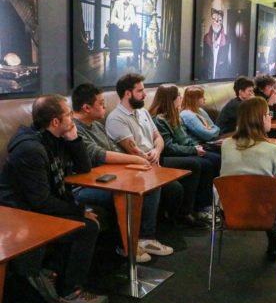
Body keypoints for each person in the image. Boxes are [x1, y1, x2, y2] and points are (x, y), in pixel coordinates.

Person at [0, 94, 108, 303]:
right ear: (56, 121)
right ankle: (71, 294)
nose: (73, 117)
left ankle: (50, 271)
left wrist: (74, 139)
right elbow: (40, 201)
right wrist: (79, 211)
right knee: (87, 227)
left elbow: (84, 168)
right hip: (20, 212)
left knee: (87, 223)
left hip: (37, 205)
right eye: (69, 114)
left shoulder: (57, 138)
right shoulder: (30, 149)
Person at [71, 83, 165, 263]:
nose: (105, 106)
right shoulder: (75, 129)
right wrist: (136, 159)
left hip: (108, 178)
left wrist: (139, 160)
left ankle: (145, 238)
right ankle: (127, 246)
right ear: (86, 108)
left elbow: (114, 148)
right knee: (130, 193)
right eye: (101, 103)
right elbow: (97, 154)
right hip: (83, 187)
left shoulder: (96, 126)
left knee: (151, 185)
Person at [104, 74, 176, 254]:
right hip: (134, 167)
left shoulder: (143, 112)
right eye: (140, 91)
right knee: (155, 184)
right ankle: (145, 238)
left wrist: (156, 151)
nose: (145, 95)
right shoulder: (116, 118)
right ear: (128, 93)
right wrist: (150, 160)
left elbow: (158, 137)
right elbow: (132, 149)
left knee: (176, 187)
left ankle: (154, 232)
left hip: (153, 159)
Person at [220, 96, 276, 260]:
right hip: (264, 214)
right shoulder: (273, 151)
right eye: (268, 114)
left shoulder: (226, 145)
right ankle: (274, 242)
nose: (270, 117)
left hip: (229, 211)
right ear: (260, 118)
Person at [149, 84, 220, 225]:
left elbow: (184, 138)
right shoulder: (159, 120)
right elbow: (169, 147)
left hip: (182, 150)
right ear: (171, 99)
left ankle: (205, 205)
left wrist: (195, 146)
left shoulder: (175, 115)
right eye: (178, 96)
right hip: (167, 156)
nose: (181, 98)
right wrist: (193, 150)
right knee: (200, 164)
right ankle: (190, 210)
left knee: (214, 158)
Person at [108, 0, 141, 71]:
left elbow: (134, 20)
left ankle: (135, 60)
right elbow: (112, 19)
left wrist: (129, 24)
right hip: (119, 31)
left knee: (135, 28)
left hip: (128, 32)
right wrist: (123, 23)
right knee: (112, 27)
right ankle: (113, 60)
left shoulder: (131, 6)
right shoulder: (117, 4)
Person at [202, 0, 231, 79]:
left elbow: (229, 66)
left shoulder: (227, 40)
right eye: (214, 12)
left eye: (220, 13)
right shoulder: (205, 39)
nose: (217, 18)